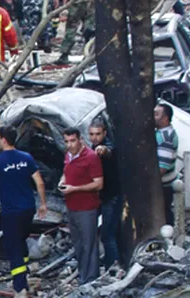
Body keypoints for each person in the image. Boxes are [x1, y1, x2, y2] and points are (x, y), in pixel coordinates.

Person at [0, 125, 47, 298]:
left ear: (3, 139)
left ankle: (20, 288)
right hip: (28, 209)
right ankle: (24, 278)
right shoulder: (26, 157)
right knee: (21, 240)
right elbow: (39, 182)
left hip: (11, 212)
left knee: (14, 248)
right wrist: (43, 204)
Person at [59, 128, 103, 285]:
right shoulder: (68, 156)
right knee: (78, 244)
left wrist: (74, 189)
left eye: (72, 141)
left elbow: (98, 184)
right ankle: (83, 276)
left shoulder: (91, 157)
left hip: (87, 207)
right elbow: (66, 172)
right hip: (72, 206)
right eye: (66, 141)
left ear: (80, 140)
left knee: (89, 244)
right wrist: (62, 181)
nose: (70, 145)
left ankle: (91, 280)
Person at [89, 120, 123, 269]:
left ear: (104, 133)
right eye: (91, 134)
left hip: (112, 197)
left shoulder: (108, 147)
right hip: (102, 197)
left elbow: (108, 150)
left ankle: (113, 267)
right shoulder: (93, 147)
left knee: (108, 234)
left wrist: (103, 150)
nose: (95, 137)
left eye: (98, 134)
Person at [154, 103, 178, 226]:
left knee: (164, 213)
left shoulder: (165, 137)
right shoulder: (160, 133)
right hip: (164, 183)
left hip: (164, 185)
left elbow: (163, 167)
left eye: (156, 114)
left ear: (165, 118)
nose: (153, 117)